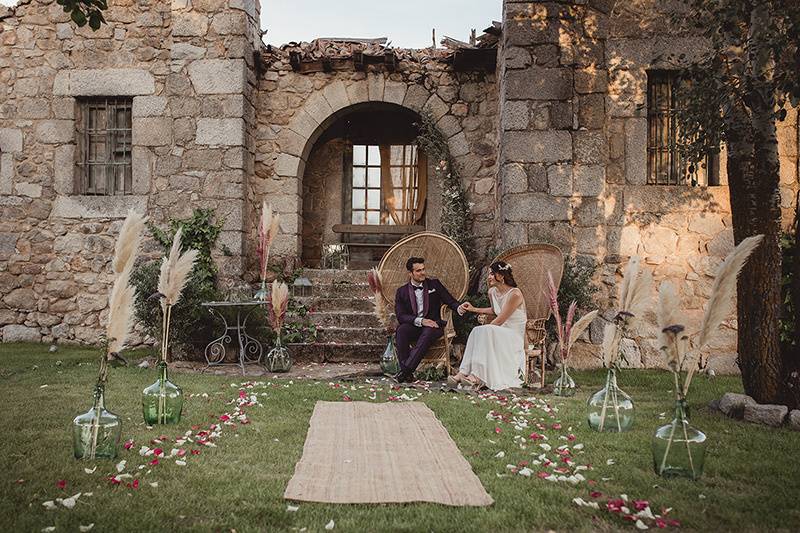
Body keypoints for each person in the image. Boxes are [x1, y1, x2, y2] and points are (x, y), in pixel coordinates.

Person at [450, 261, 526, 391]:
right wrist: (474, 309)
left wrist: (485, 333)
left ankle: (477, 376)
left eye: (492, 274)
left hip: (513, 336)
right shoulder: (492, 292)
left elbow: (500, 319)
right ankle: (463, 372)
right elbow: (495, 309)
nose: (488, 277)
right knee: (476, 330)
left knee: (484, 331)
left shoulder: (515, 294)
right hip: (499, 333)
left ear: (501, 276)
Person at [393, 257, 465, 383]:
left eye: (423, 269)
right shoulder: (401, 291)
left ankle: (404, 371)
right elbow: (401, 316)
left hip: (434, 325)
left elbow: (450, 300)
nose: (423, 273)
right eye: (418, 270)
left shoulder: (434, 284)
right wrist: (421, 321)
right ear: (410, 273)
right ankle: (407, 373)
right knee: (401, 330)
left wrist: (459, 308)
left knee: (428, 331)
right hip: (415, 325)